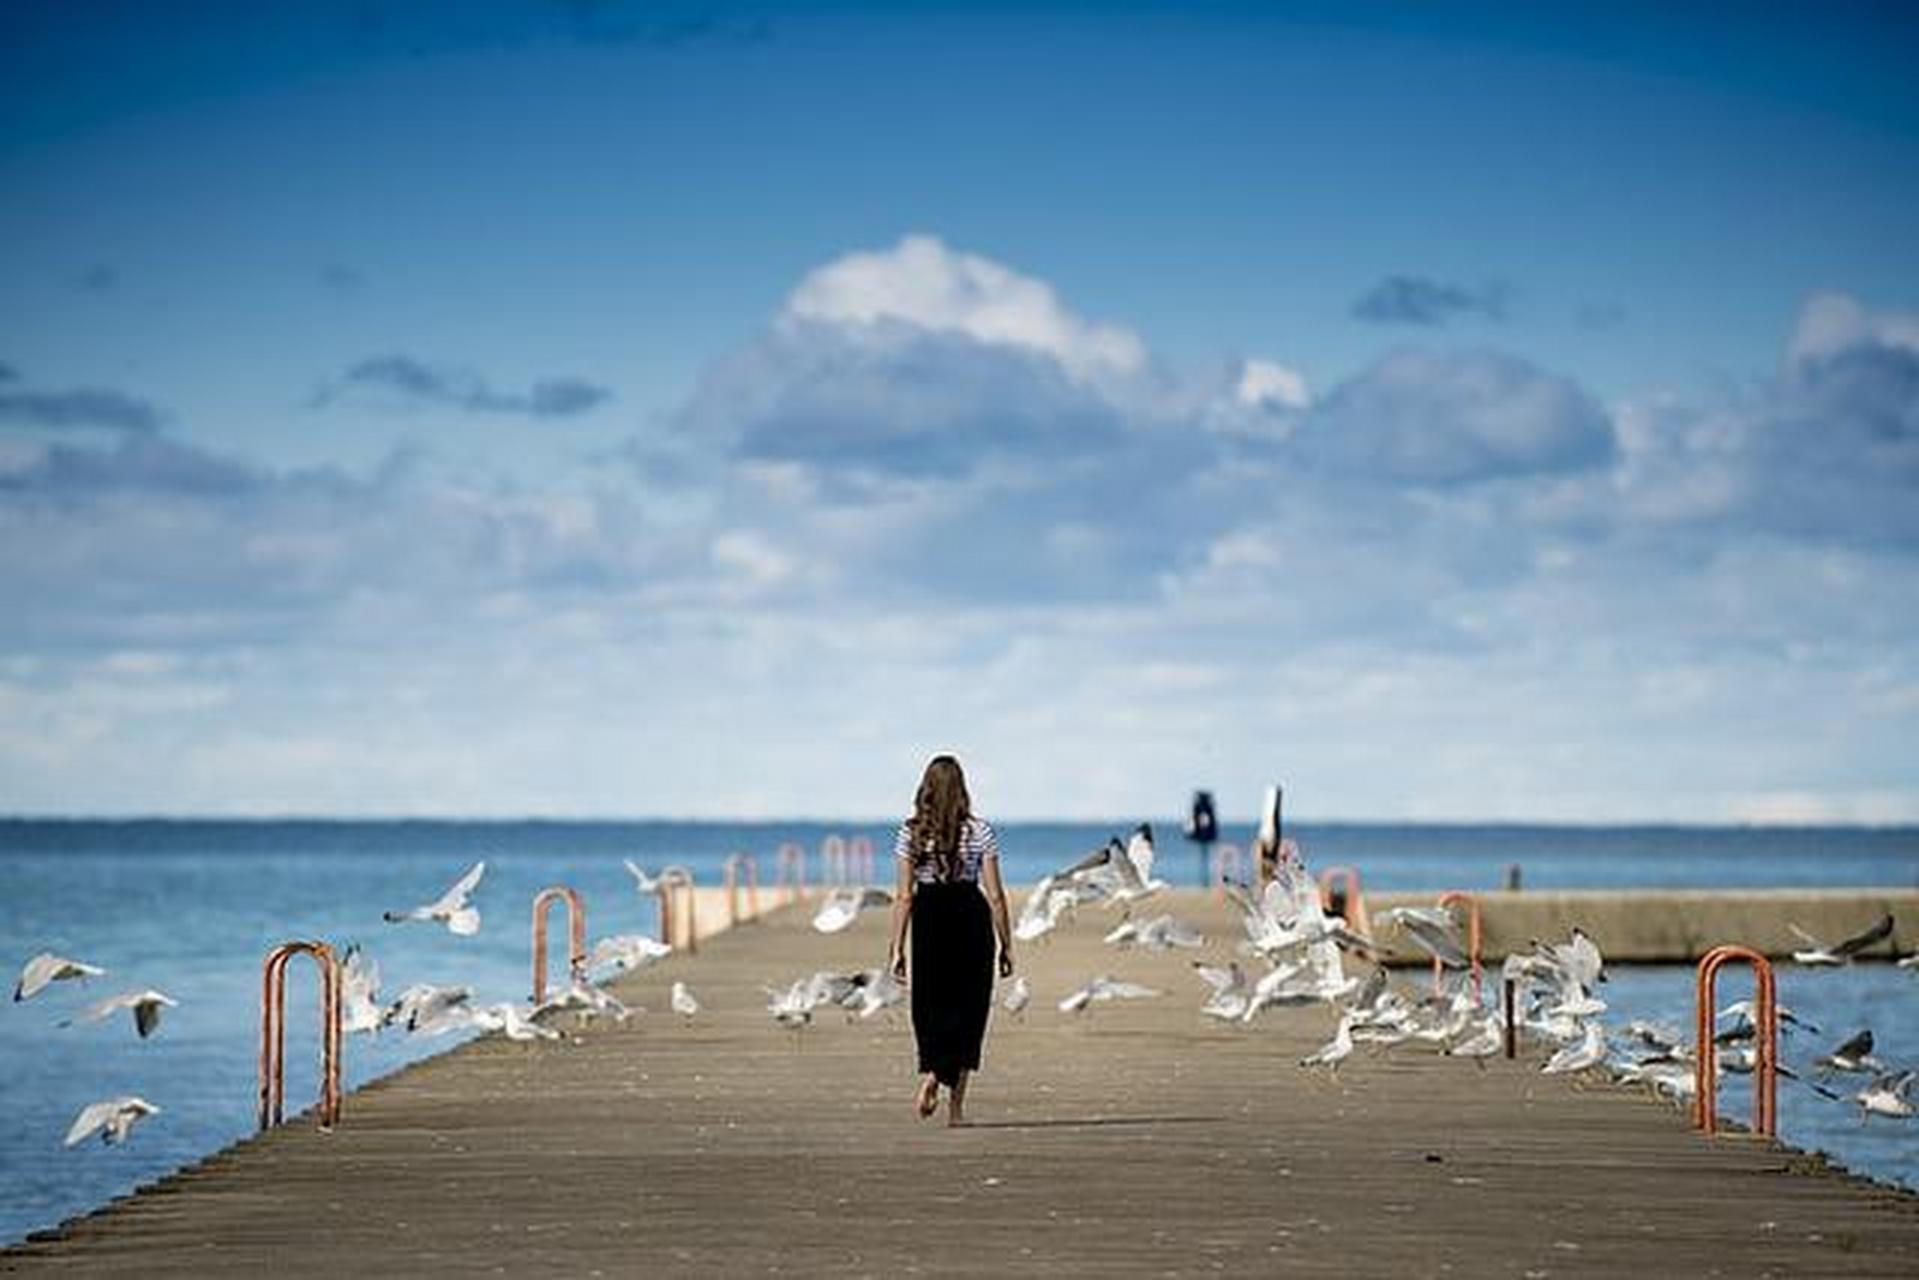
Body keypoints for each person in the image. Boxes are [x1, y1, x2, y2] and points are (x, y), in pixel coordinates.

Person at [885, 754, 1014, 1127]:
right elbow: (995, 895)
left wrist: (896, 947)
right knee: (970, 1011)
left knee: (931, 1005)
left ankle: (932, 1075)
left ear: (925, 788)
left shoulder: (910, 833)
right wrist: (1006, 943)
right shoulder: (981, 831)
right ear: (962, 790)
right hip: (970, 917)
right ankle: (955, 1112)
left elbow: (904, 895)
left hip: (930, 920)